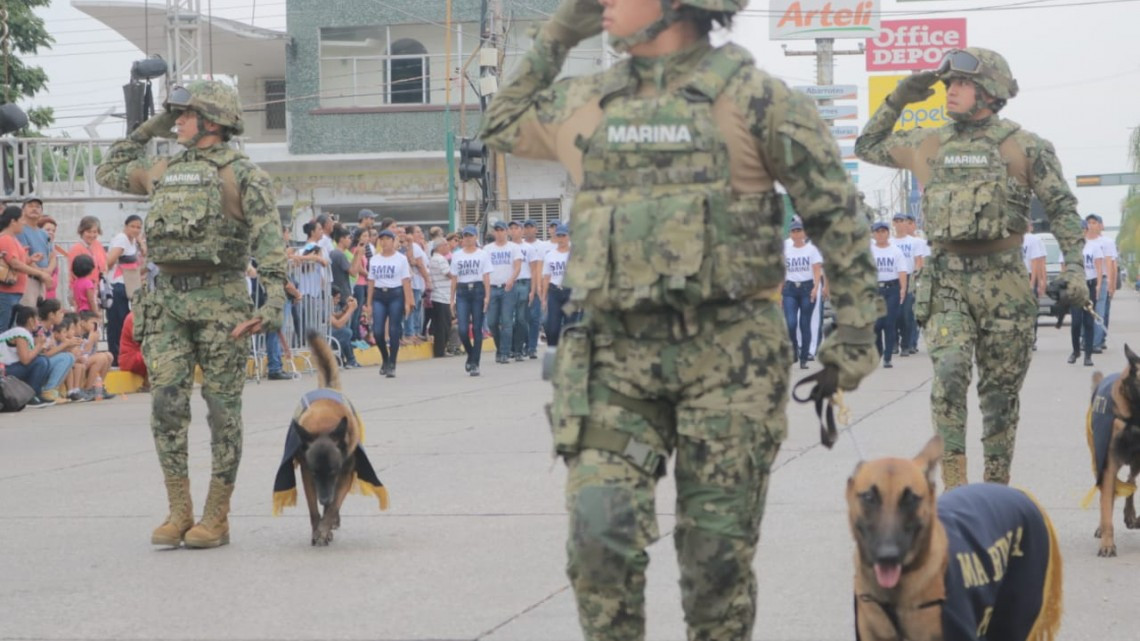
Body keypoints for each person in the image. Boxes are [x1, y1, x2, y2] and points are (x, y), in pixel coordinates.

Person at [480, 1, 880, 639]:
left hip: (730, 363)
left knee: (715, 561)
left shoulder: (757, 99)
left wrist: (854, 333)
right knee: (599, 536)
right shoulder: (587, 99)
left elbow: (836, 214)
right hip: (612, 360)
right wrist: (558, 34)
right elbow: (498, 122)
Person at [855, 47, 1088, 488]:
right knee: (948, 374)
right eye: (947, 85)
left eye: (961, 84)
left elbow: (1062, 210)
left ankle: (995, 491)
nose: (950, 91)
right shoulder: (928, 140)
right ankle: (957, 494)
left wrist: (1074, 269)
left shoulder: (1026, 146)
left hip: (1005, 284)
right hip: (946, 282)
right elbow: (866, 146)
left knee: (999, 398)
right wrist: (898, 100)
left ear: (990, 91)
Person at [96, 80, 287, 549]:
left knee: (223, 411)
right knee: (166, 405)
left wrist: (274, 302)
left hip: (222, 299)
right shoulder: (163, 169)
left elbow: (269, 241)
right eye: (175, 116)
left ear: (212, 122)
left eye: (183, 115)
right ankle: (179, 510)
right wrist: (154, 123)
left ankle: (216, 515)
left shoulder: (244, 175)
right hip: (167, 303)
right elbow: (109, 168)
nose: (176, 122)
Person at [363, 229, 413, 377]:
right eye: (382, 239)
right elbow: (371, 281)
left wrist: (408, 301)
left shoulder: (400, 259)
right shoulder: (375, 259)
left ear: (393, 241)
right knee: (378, 331)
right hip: (379, 294)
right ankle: (385, 358)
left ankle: (392, 363)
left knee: (393, 330)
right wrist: (369, 303)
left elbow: (406, 281)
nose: (384, 242)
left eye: (387, 239)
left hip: (395, 294)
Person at [449, 226, 492, 376]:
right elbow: (454, 278)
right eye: (465, 236)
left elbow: (486, 276)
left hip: (478, 290)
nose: (468, 238)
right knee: (462, 329)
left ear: (475, 238)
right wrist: (451, 299)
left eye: (470, 236)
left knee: (477, 328)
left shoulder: (482, 254)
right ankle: (470, 353)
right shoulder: (457, 255)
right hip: (462, 291)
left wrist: (487, 296)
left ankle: (475, 363)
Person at [2, 206, 51, 330]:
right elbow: (15, 264)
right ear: (13, 221)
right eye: (21, 220)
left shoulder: (12, 239)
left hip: (14, 292)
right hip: (6, 293)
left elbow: (16, 261)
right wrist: (40, 273)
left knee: (9, 328)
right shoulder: (6, 239)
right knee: (3, 328)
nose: (23, 223)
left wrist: (30, 259)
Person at [105, 215, 146, 365]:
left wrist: (141, 243)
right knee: (116, 323)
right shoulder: (121, 239)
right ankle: (115, 357)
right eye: (133, 226)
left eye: (138, 227)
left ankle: (120, 356)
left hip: (128, 287)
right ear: (126, 226)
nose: (135, 230)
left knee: (124, 322)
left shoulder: (133, 241)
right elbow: (109, 261)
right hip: (117, 286)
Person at [782, 218, 822, 369]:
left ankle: (804, 357)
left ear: (804, 233)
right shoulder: (786, 249)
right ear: (790, 234)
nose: (797, 234)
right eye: (794, 231)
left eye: (799, 230)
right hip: (790, 289)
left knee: (805, 323)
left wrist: (815, 288)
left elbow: (817, 271)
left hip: (807, 288)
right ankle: (794, 350)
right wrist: (779, 293)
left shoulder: (812, 249)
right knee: (791, 323)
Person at [0, 304, 55, 408]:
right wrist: (38, 345)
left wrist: (38, 346)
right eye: (37, 319)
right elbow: (25, 360)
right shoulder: (21, 332)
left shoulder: (19, 332)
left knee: (43, 360)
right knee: (41, 362)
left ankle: (36, 395)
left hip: (6, 369)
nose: (38, 323)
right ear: (30, 320)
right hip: (3, 372)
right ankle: (29, 397)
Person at [870, 221, 908, 369]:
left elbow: (902, 271)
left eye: (883, 231)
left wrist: (903, 288)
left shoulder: (895, 251)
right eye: (877, 232)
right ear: (873, 234)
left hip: (892, 288)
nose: (880, 234)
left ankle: (887, 357)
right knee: (877, 324)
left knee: (889, 323)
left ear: (888, 233)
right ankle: (878, 350)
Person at [1067, 219, 1104, 367]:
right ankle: (1076, 350)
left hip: (1089, 285)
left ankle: (1088, 355)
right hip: (1076, 286)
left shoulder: (1094, 247)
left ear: (1085, 230)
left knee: (1089, 322)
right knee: (1076, 323)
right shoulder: (1069, 248)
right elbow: (1065, 268)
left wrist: (1099, 285)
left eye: (1082, 229)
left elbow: (1099, 268)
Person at [485, 221, 522, 364]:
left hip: (508, 288)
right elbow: (485, 271)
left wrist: (511, 280)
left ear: (506, 232)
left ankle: (505, 352)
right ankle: (500, 347)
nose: (499, 233)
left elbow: (518, 267)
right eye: (497, 230)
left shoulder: (514, 248)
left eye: (501, 230)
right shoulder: (488, 249)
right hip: (493, 288)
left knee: (507, 321)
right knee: (492, 322)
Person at [890, 213, 926, 357]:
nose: (899, 224)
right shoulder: (890, 242)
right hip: (894, 279)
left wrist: (917, 275)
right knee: (894, 314)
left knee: (907, 314)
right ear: (893, 224)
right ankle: (894, 343)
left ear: (907, 223)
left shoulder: (915, 242)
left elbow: (919, 261)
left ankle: (909, 343)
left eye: (902, 221)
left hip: (910, 278)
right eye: (897, 221)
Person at [34, 298, 79, 404]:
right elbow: (43, 355)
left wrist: (69, 346)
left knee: (69, 356)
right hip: (38, 365)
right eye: (59, 312)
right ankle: (48, 392)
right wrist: (66, 344)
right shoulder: (39, 330)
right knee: (66, 357)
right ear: (51, 315)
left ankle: (53, 391)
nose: (62, 315)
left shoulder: (49, 329)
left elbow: (54, 350)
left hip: (44, 364)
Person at [1085, 213, 1116, 352]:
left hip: (1101, 280)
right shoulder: (1082, 242)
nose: (1091, 225)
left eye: (1094, 222)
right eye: (1089, 223)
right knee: (1084, 311)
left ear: (1100, 225)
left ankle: (1096, 342)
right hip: (1084, 280)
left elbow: (1109, 263)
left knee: (1099, 312)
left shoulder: (1106, 242)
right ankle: (1084, 339)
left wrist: (1110, 281)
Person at [540, 223, 573, 347]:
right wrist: (543, 297)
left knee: (570, 326)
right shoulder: (550, 255)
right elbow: (546, 277)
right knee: (552, 326)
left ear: (569, 237)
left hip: (570, 292)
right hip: (554, 292)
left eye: (563, 235)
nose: (561, 239)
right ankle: (553, 351)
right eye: (559, 235)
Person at [16, 196, 52, 307]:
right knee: (28, 315)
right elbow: (24, 256)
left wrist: (48, 272)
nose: (34, 209)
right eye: (30, 206)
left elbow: (52, 255)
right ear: (23, 210)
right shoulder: (20, 230)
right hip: (28, 279)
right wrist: (42, 274)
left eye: (37, 207)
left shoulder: (44, 233)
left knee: (39, 318)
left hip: (42, 280)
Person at [1022, 219, 1047, 351]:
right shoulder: (1014, 239)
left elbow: (1037, 262)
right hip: (1019, 276)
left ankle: (1031, 338)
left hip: (1029, 275)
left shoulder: (1033, 240)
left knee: (1031, 310)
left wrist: (1035, 282)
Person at [428, 239, 454, 358]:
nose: (447, 246)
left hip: (438, 295)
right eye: (445, 245)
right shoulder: (440, 259)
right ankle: (440, 350)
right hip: (442, 296)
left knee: (440, 324)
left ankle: (440, 349)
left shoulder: (433, 259)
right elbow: (449, 274)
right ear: (439, 247)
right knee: (444, 325)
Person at [328, 285, 360, 369]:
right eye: (337, 298)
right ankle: (349, 360)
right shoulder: (323, 307)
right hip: (322, 335)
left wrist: (346, 307)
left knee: (344, 332)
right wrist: (351, 310)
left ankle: (348, 360)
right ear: (331, 297)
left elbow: (335, 315)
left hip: (326, 333)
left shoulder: (326, 306)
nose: (338, 301)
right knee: (346, 332)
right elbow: (338, 324)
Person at [118, 311, 149, 387]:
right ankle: (148, 383)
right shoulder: (133, 318)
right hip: (130, 358)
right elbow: (141, 340)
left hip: (140, 354)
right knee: (153, 353)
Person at [36, 217, 62, 301]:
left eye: (53, 231)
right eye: (47, 230)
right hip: (39, 293)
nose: (51, 232)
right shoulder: (36, 249)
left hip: (51, 295)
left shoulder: (53, 251)